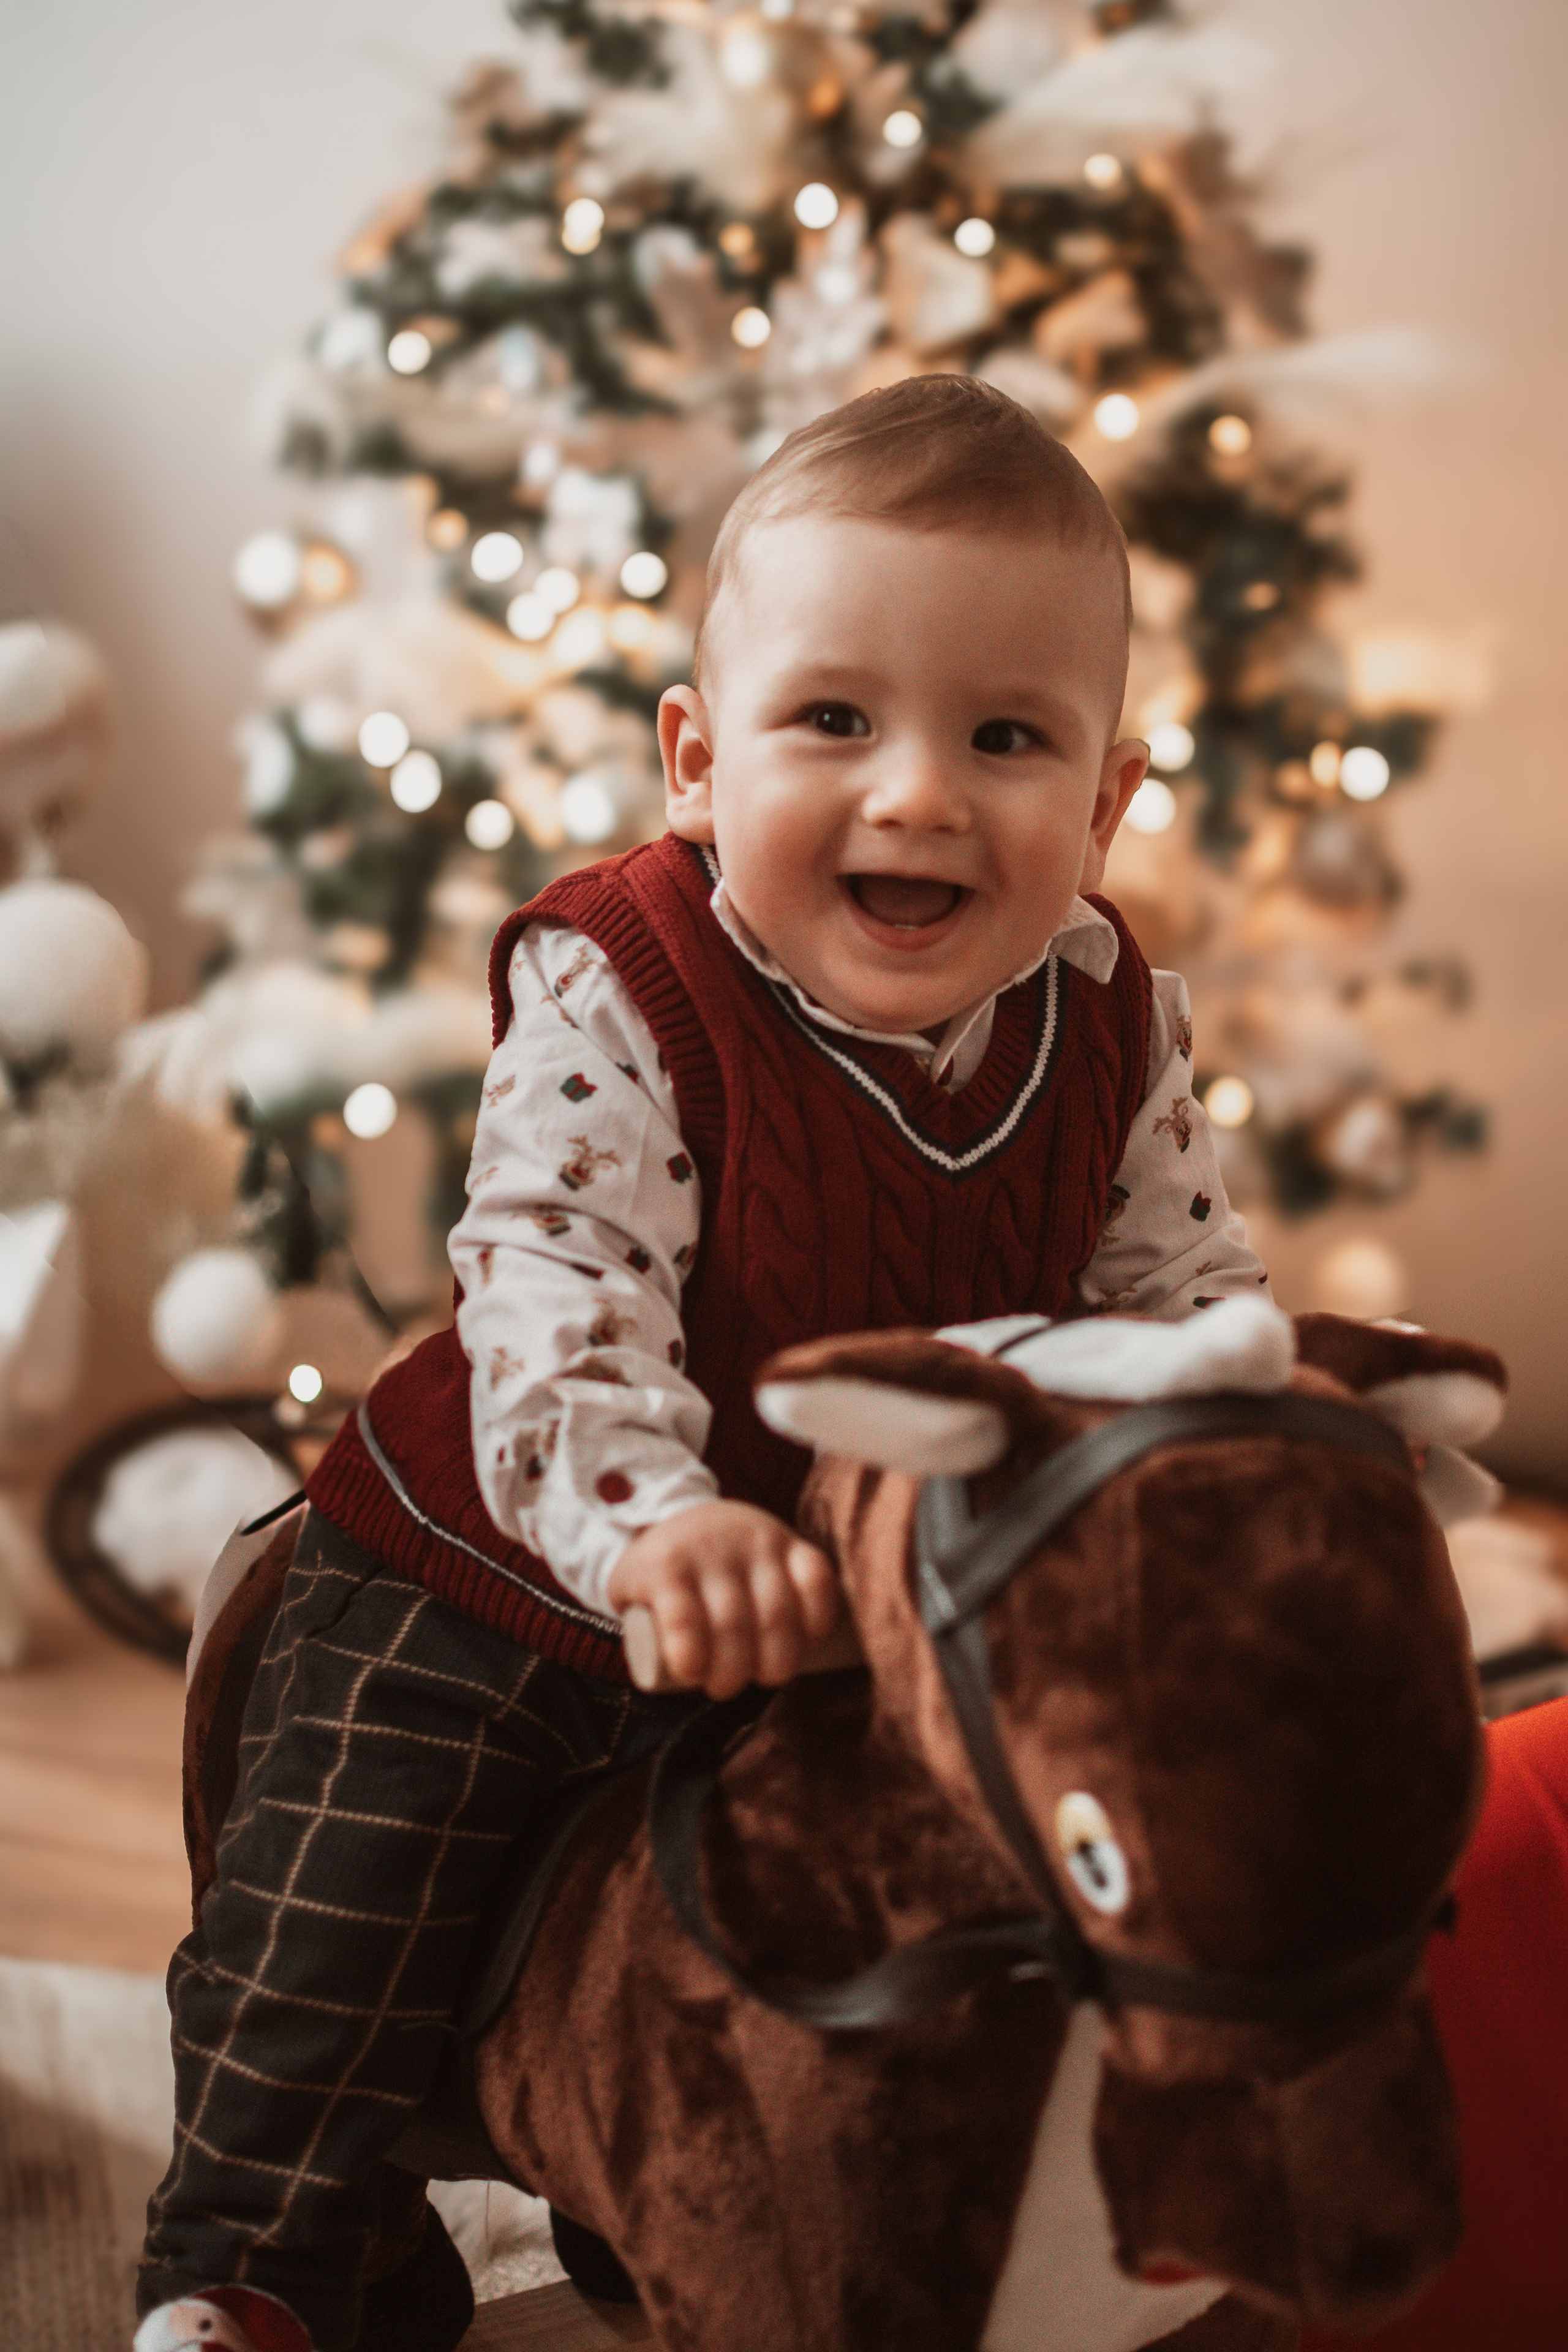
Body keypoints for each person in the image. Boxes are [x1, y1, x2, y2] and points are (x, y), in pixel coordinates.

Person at [137, 376, 1268, 2352]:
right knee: (344, 1921)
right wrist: (652, 1524)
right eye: (833, 719)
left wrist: (1255, 1462)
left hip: (845, 1605)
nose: (917, 794)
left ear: (1100, 808)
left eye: (1005, 739)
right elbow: (560, 1282)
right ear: (695, 760)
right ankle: (262, 2268)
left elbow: (1185, 1308)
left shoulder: (1110, 1026)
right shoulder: (621, 981)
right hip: (507, 1569)